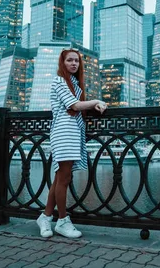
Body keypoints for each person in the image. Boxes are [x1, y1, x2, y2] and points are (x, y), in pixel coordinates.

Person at [36, 48, 107, 239]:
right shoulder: (59, 81)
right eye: (69, 60)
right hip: (63, 133)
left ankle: (45, 217)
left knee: (60, 177)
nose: (74, 63)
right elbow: (74, 106)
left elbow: (79, 106)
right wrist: (95, 101)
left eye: (76, 61)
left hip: (73, 133)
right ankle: (62, 220)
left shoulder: (75, 83)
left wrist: (96, 104)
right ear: (63, 63)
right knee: (64, 178)